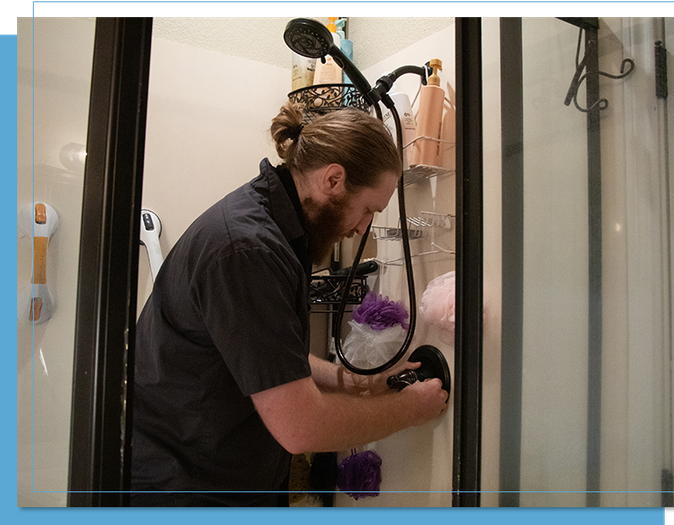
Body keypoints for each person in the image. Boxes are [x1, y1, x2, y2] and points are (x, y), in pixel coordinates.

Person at [130, 101, 449, 507]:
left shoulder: (273, 227)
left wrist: (354, 382)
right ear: (333, 180)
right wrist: (408, 409)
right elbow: (301, 427)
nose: (362, 228)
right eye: (368, 209)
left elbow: (270, 353)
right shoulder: (248, 250)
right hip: (184, 490)